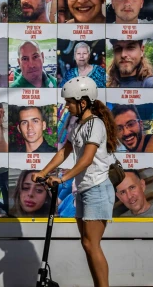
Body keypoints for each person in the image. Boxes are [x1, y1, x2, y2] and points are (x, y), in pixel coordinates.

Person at [33, 77, 117, 286]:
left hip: (97, 189)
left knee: (92, 244)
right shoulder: (79, 124)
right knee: (87, 243)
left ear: (83, 102)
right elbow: (64, 152)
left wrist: (62, 178)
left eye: (69, 102)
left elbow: (87, 159)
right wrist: (43, 172)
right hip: (85, 189)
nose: (66, 106)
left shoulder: (95, 125)